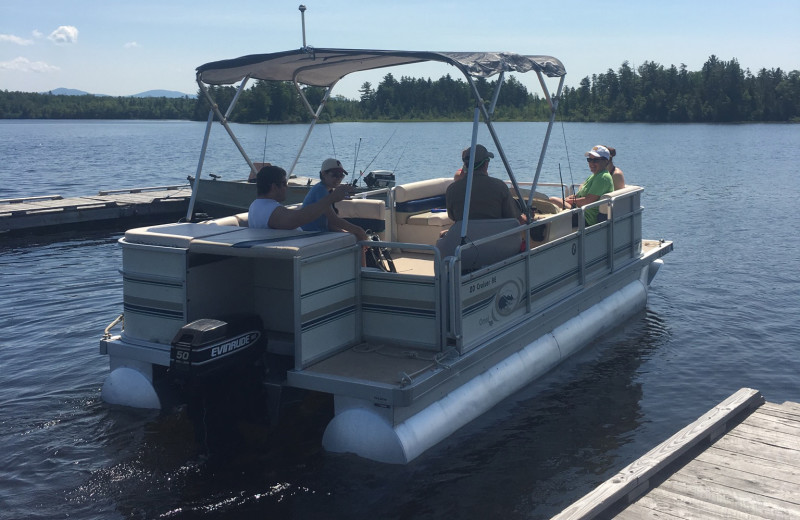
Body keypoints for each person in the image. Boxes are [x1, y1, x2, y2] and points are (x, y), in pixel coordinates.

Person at [248, 165, 352, 230]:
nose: (287, 186)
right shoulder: (269, 210)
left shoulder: (256, 205)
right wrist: (332, 197)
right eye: (284, 183)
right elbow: (298, 219)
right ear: (274, 187)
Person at [445, 144, 520, 223]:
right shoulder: (500, 187)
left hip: (465, 234)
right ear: (486, 164)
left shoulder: (452, 190)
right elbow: (512, 217)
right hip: (495, 234)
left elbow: (452, 216)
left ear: (465, 165)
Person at [301, 158, 369, 244]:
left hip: (320, 232)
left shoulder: (327, 190)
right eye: (335, 175)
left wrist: (348, 232)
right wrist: (358, 231)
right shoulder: (320, 190)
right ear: (324, 174)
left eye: (341, 175)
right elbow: (334, 220)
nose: (338, 178)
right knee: (359, 238)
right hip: (313, 234)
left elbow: (330, 224)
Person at [549, 145, 614, 226]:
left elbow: (588, 200)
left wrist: (569, 201)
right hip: (579, 210)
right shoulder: (594, 175)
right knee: (549, 205)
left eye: (596, 160)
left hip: (585, 217)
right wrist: (569, 198)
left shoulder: (603, 177)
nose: (592, 163)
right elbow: (580, 195)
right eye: (589, 160)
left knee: (552, 200)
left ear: (606, 161)